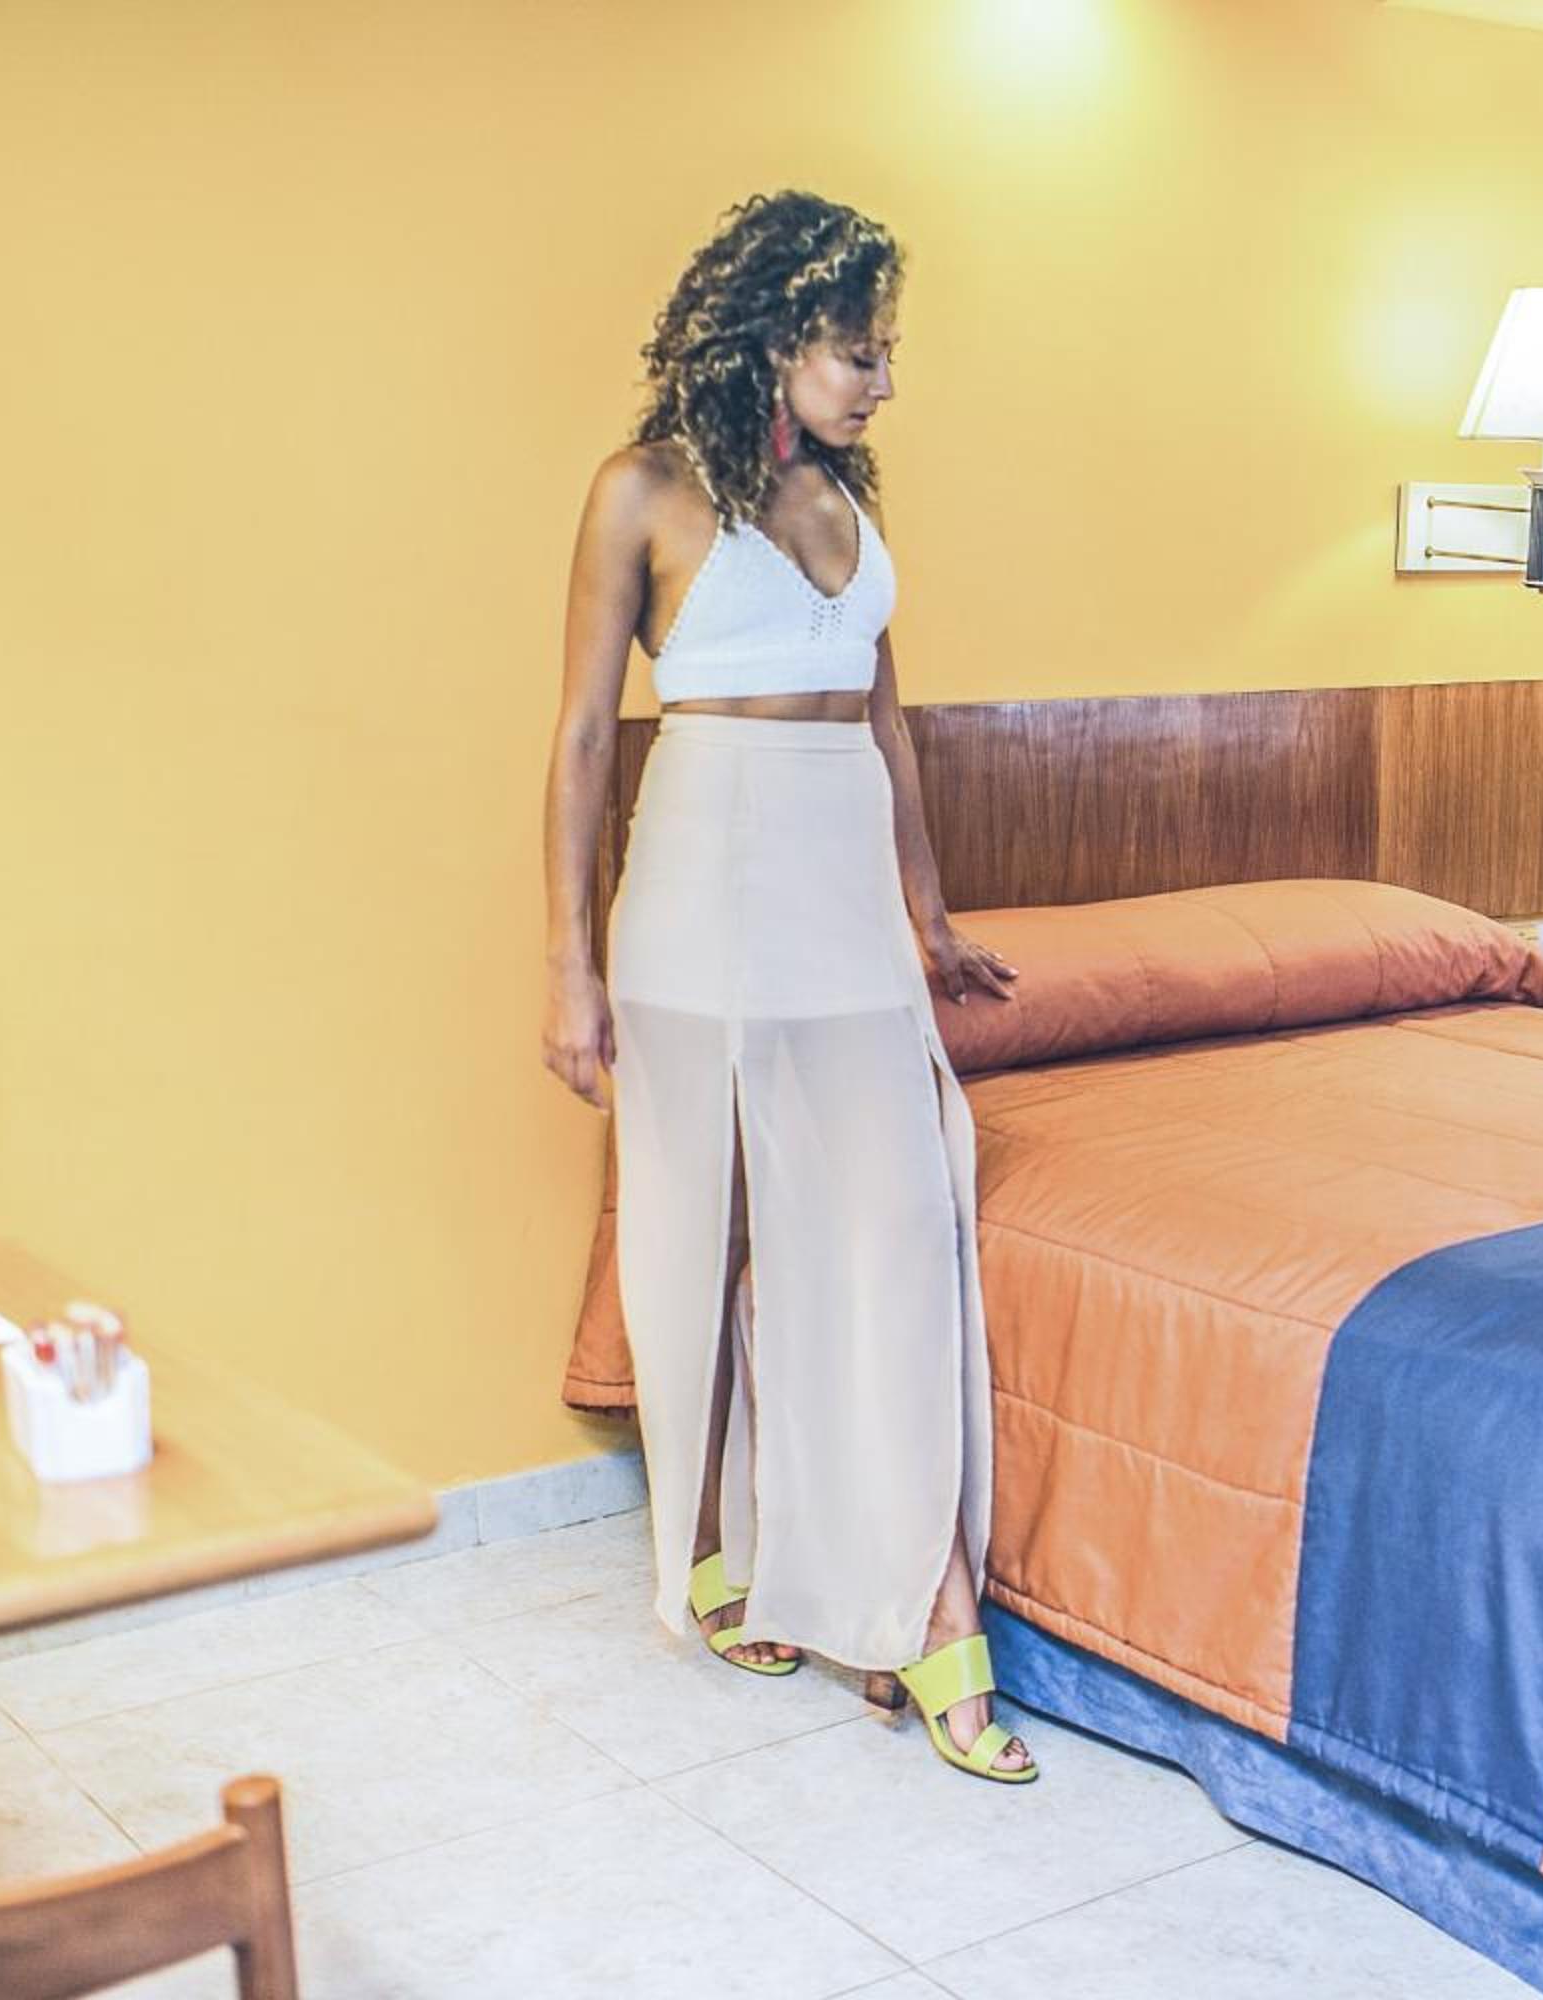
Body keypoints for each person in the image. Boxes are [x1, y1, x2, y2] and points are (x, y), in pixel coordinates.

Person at [541, 191, 1033, 1783]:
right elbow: (581, 739)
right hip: (699, 888)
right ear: (769, 338)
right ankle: (711, 1558)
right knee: (701, 1233)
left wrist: (928, 918)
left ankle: (921, 1604)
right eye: (856, 352)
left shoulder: (848, 494)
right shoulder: (643, 491)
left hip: (840, 898)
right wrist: (567, 966)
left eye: (886, 352)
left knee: (891, 1229)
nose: (883, 382)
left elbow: (887, 722)